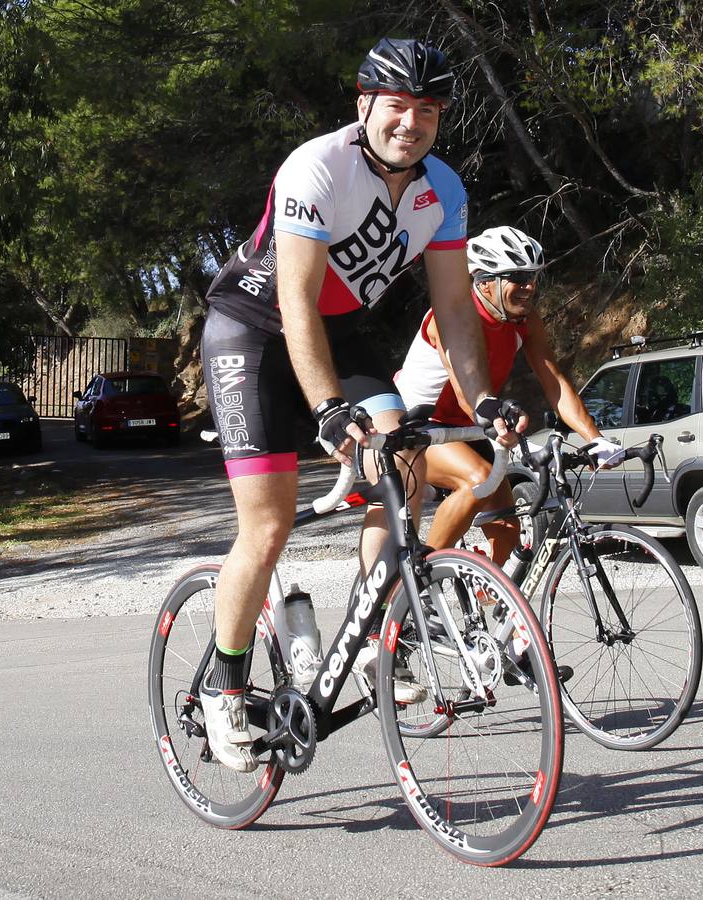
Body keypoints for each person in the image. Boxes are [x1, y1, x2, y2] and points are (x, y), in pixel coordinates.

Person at [199, 39, 521, 773]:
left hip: (338, 332)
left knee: (403, 460)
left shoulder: (442, 187)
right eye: (397, 106)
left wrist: (484, 398)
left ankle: (379, 632)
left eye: (428, 110)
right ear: (364, 105)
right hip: (253, 330)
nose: (410, 122)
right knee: (270, 523)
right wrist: (327, 410)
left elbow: (454, 310)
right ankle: (224, 690)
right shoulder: (316, 167)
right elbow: (295, 301)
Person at [396, 225, 622, 563]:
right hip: (418, 425)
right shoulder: (452, 318)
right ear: (485, 282)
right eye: (518, 277)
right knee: (478, 478)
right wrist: (502, 421)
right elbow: (464, 391)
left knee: (506, 529)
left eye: (533, 277)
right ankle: (418, 582)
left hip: (472, 427)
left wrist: (595, 438)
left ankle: (496, 606)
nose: (530, 287)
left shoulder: (525, 321)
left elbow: (555, 383)